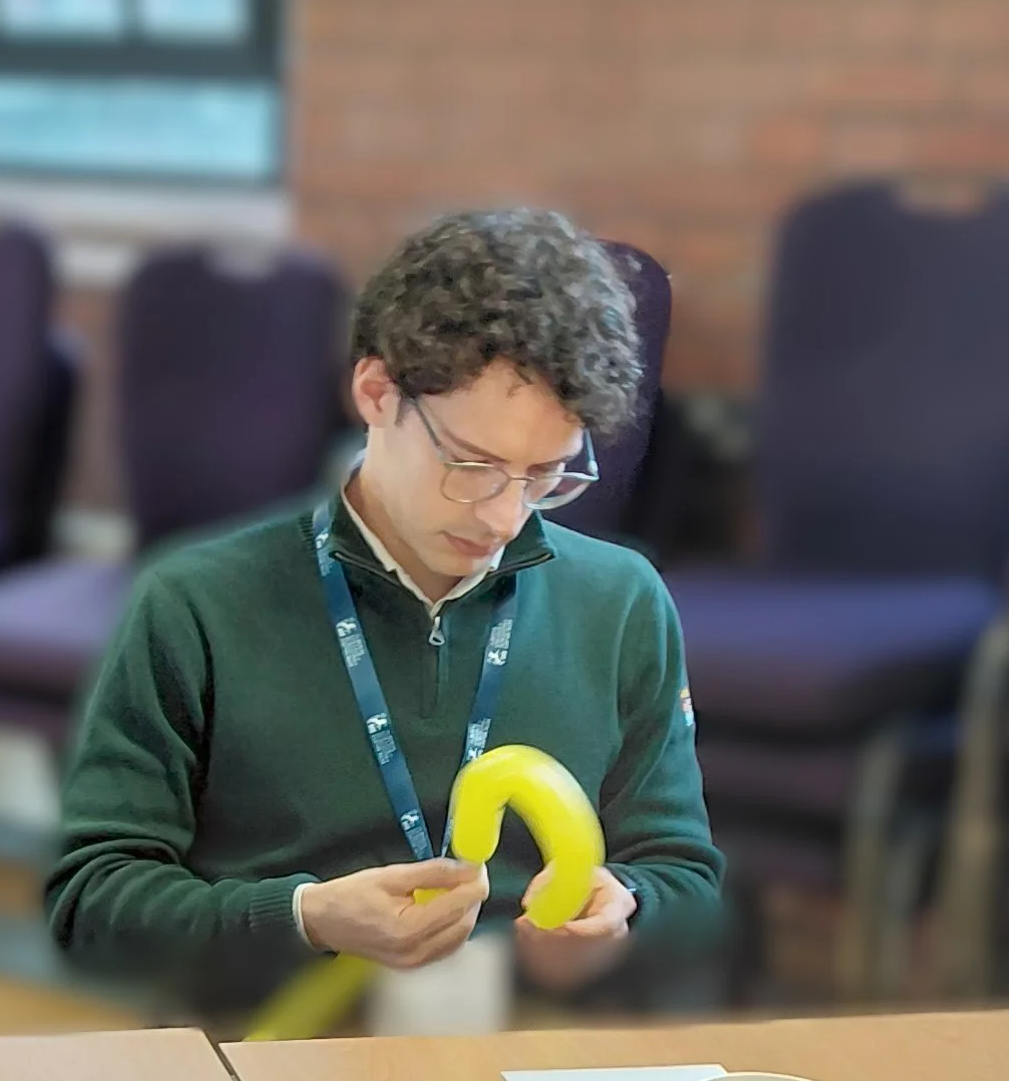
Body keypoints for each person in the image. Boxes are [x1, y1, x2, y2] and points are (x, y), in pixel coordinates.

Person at [48, 208, 725, 1012]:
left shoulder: (620, 601)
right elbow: (90, 907)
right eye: (471, 465)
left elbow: (689, 884)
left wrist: (627, 915)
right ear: (376, 391)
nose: (504, 518)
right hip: (277, 1062)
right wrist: (304, 916)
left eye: (545, 475)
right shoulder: (194, 604)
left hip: (532, 1064)